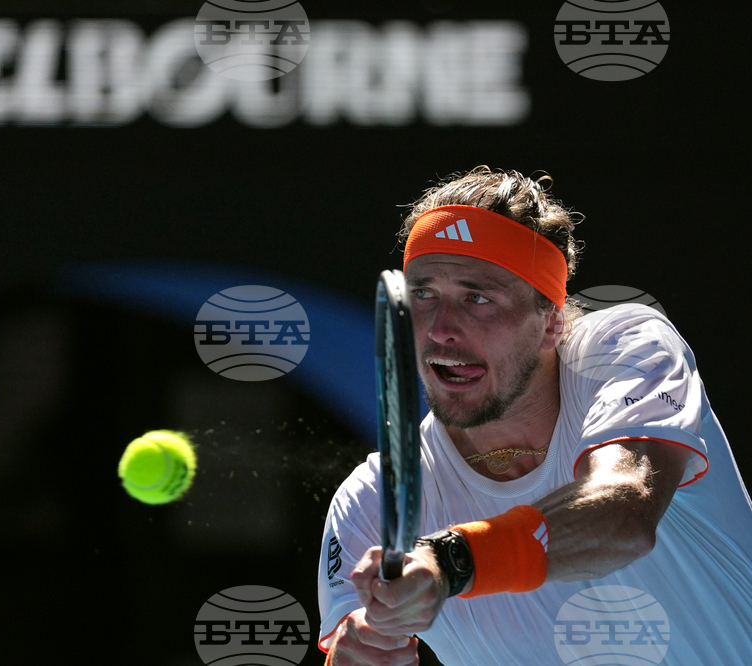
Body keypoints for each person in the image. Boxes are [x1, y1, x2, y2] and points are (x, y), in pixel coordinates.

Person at [317, 166, 752, 665]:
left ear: (551, 322)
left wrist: (451, 561)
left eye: (477, 298)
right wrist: (362, 654)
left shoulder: (625, 348)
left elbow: (623, 514)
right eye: (423, 294)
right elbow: (361, 651)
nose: (440, 330)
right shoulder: (367, 503)